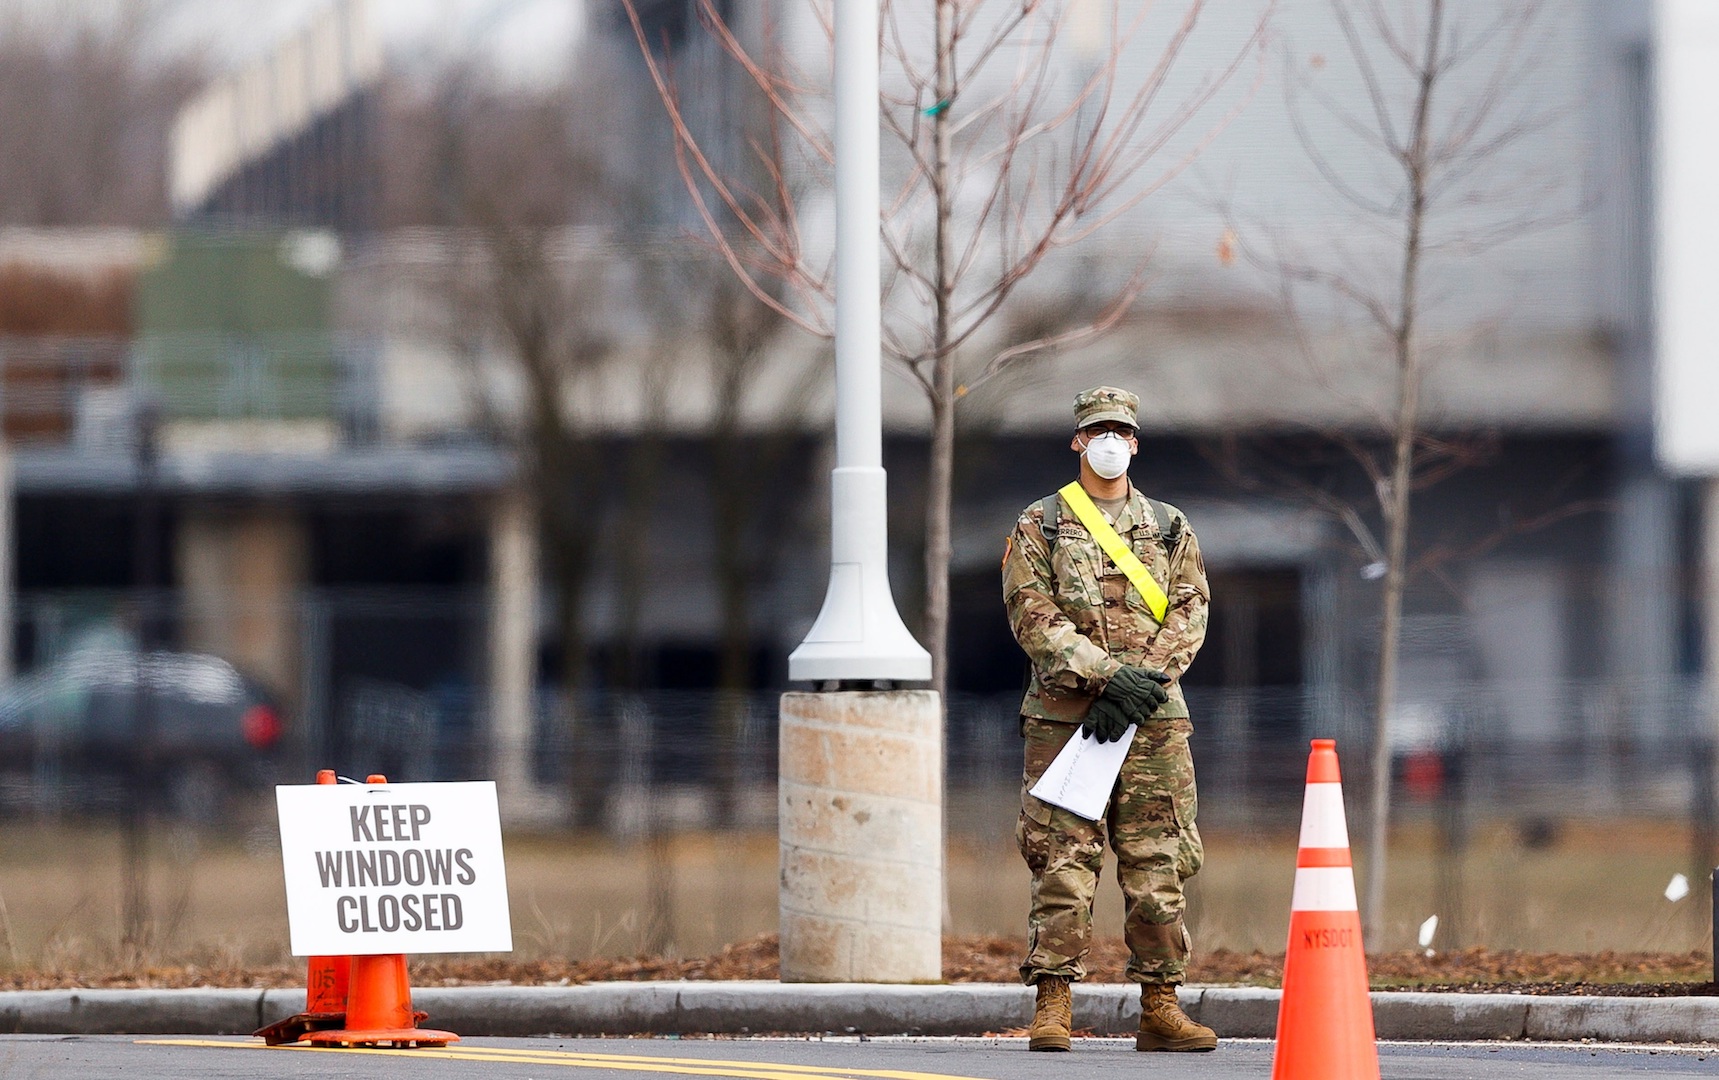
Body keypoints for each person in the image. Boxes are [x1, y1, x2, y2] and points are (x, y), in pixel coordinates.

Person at [1000, 385, 1215, 1053]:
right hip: (1068, 718)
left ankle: (1160, 1005)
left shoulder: (1169, 526)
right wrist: (1108, 677)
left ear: (1136, 441)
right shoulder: (1039, 522)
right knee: (1063, 861)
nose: (1109, 439)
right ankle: (1052, 1003)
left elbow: (1190, 611)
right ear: (1076, 440)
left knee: (1157, 864)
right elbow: (1032, 616)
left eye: (1120, 429)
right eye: (1097, 429)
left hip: (1151, 723)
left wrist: (1141, 682)